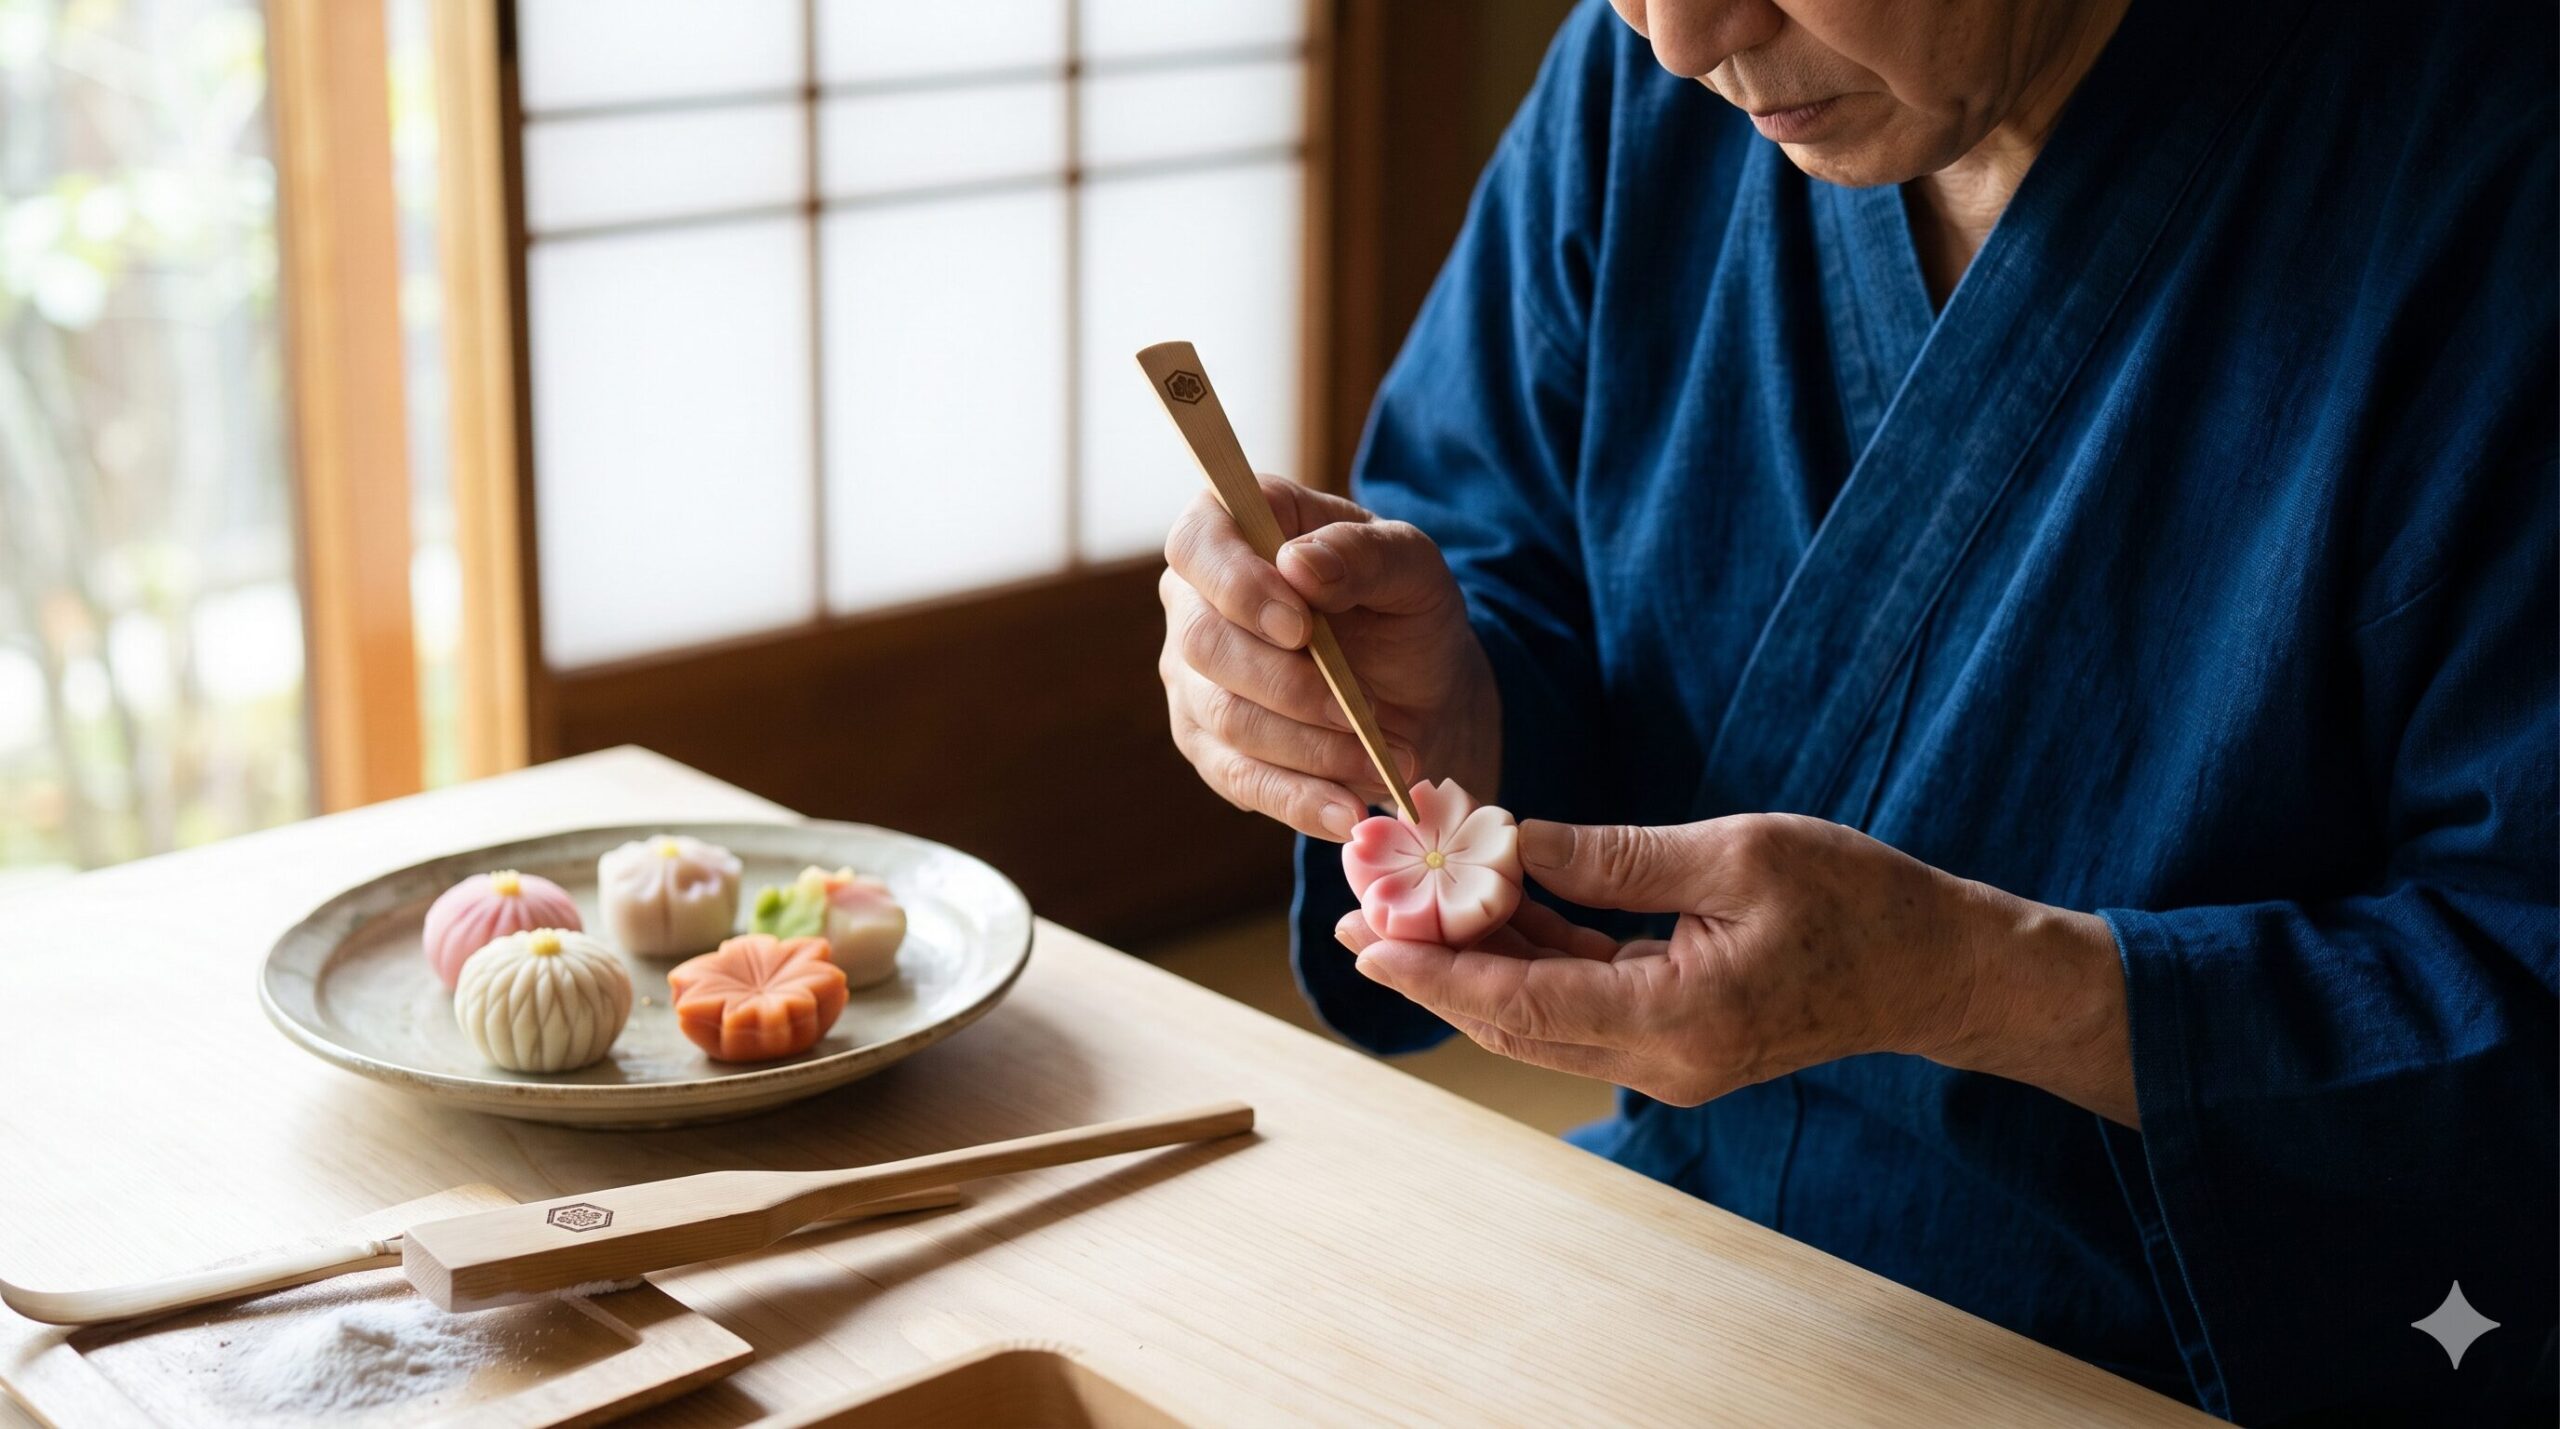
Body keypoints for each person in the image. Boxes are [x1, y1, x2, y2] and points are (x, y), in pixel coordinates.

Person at [1156, 0, 2555, 1419]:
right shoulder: (1631, 94)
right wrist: (1435, 727)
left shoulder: (2496, 177)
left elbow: (2527, 975)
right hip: (1687, 1250)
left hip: (2223, 1361)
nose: (1683, 39)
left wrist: (1973, 977)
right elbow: (1502, 552)